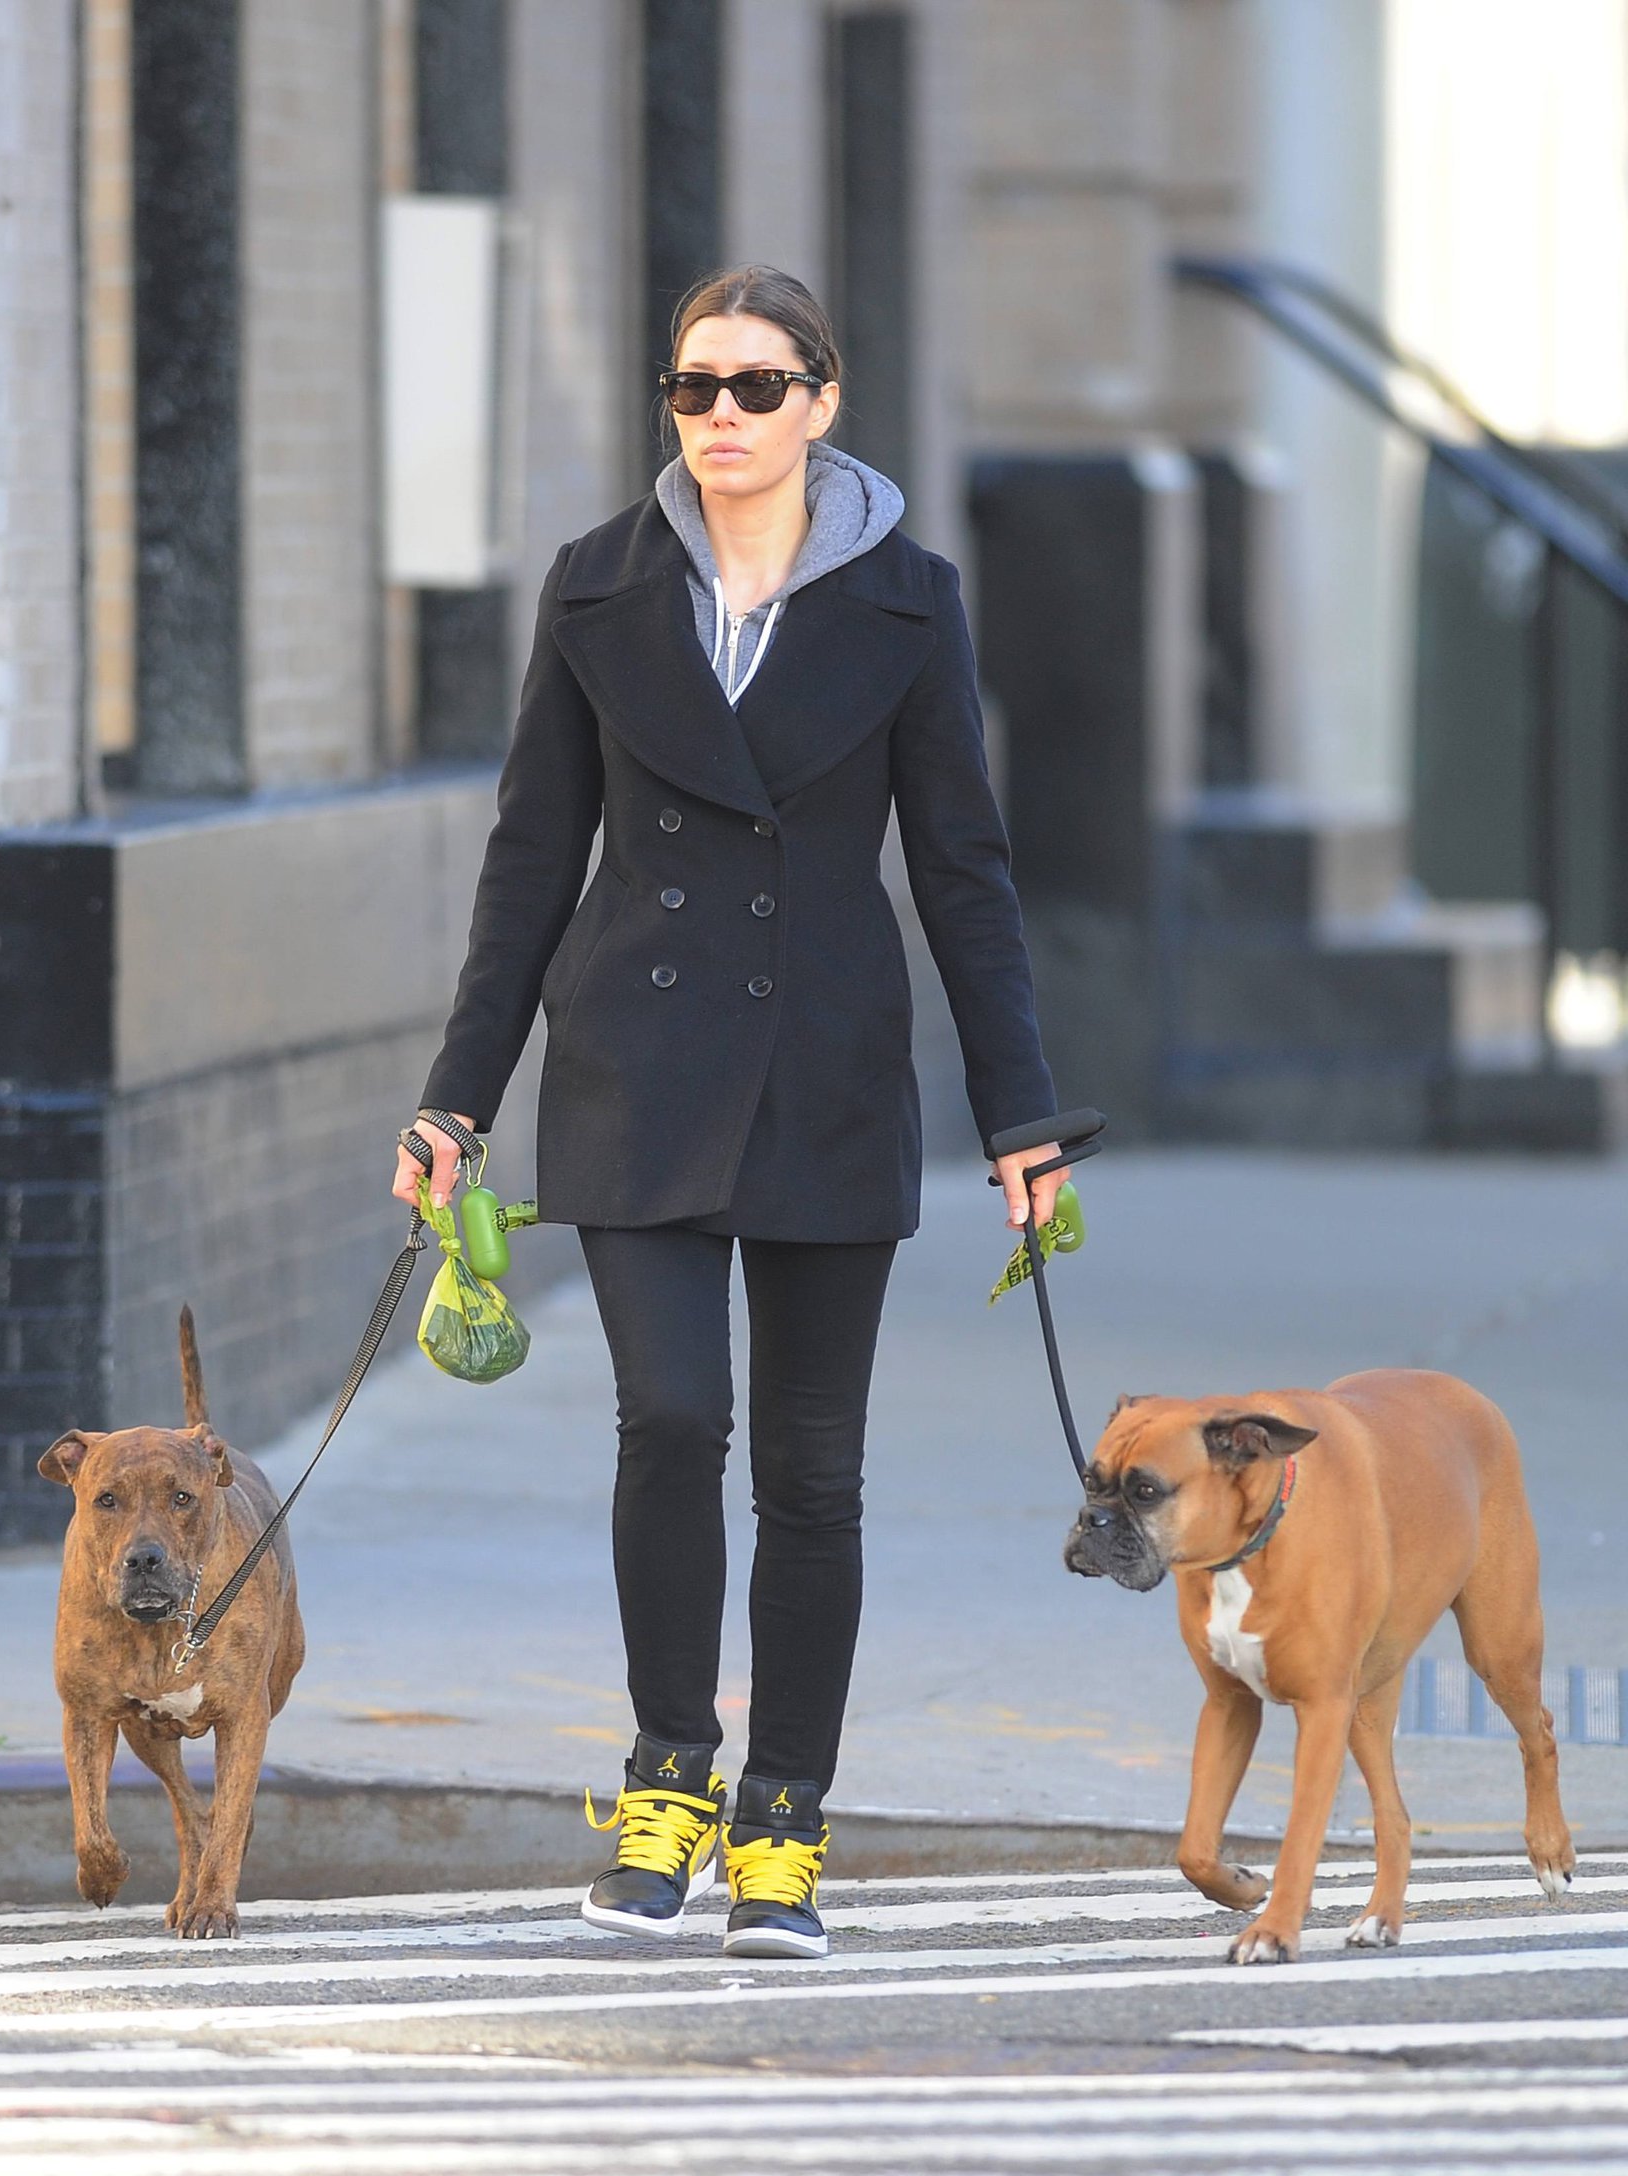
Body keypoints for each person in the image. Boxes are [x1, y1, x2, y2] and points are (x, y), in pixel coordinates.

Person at [394, 265, 1065, 1961]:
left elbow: (964, 870)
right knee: (672, 1422)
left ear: (824, 402)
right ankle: (668, 1773)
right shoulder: (597, 589)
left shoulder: (907, 601)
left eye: (757, 389)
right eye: (693, 389)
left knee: (813, 1472)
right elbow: (532, 857)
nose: (720, 420)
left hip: (831, 1071)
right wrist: (457, 1098)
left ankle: (783, 1825)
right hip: (637, 1063)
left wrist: (1020, 1117)